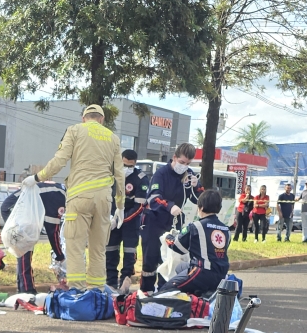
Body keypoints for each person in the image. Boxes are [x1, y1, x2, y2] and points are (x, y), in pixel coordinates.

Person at [32, 104, 125, 289]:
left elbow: (60, 160)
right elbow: (120, 175)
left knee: (75, 248)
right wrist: (120, 206)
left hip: (79, 198)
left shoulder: (75, 130)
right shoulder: (113, 138)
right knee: (98, 250)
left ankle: (76, 291)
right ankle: (97, 292)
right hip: (104, 200)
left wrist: (37, 177)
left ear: (84, 118)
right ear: (102, 119)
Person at [140, 142, 202, 292]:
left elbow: (199, 199)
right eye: (181, 162)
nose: (184, 166)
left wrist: (196, 187)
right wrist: (169, 206)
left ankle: (164, 292)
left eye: (188, 163)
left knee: (170, 260)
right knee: (151, 260)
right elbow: (153, 197)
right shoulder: (161, 174)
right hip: (154, 222)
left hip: (174, 225)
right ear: (174, 158)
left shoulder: (189, 174)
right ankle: (146, 292)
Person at [160, 188, 232, 297]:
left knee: (166, 290)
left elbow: (177, 247)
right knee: (180, 267)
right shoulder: (226, 230)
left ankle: (186, 310)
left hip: (201, 273)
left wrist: (167, 236)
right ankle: (198, 295)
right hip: (221, 275)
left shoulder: (195, 226)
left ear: (201, 207)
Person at [0, 179, 66, 294]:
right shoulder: (59, 197)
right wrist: (59, 255)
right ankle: (27, 291)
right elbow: (52, 231)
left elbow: (5, 206)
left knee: (22, 254)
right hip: (23, 219)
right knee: (25, 252)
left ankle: (22, 289)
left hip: (17, 212)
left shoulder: (57, 188)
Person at [105, 150, 149, 288]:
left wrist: (121, 219)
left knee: (129, 252)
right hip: (112, 220)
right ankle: (111, 282)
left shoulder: (141, 178)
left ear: (135, 164)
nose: (126, 169)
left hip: (131, 220)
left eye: (130, 166)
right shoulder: (111, 175)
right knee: (110, 250)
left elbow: (140, 206)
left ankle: (125, 280)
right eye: (124, 165)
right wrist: (110, 218)